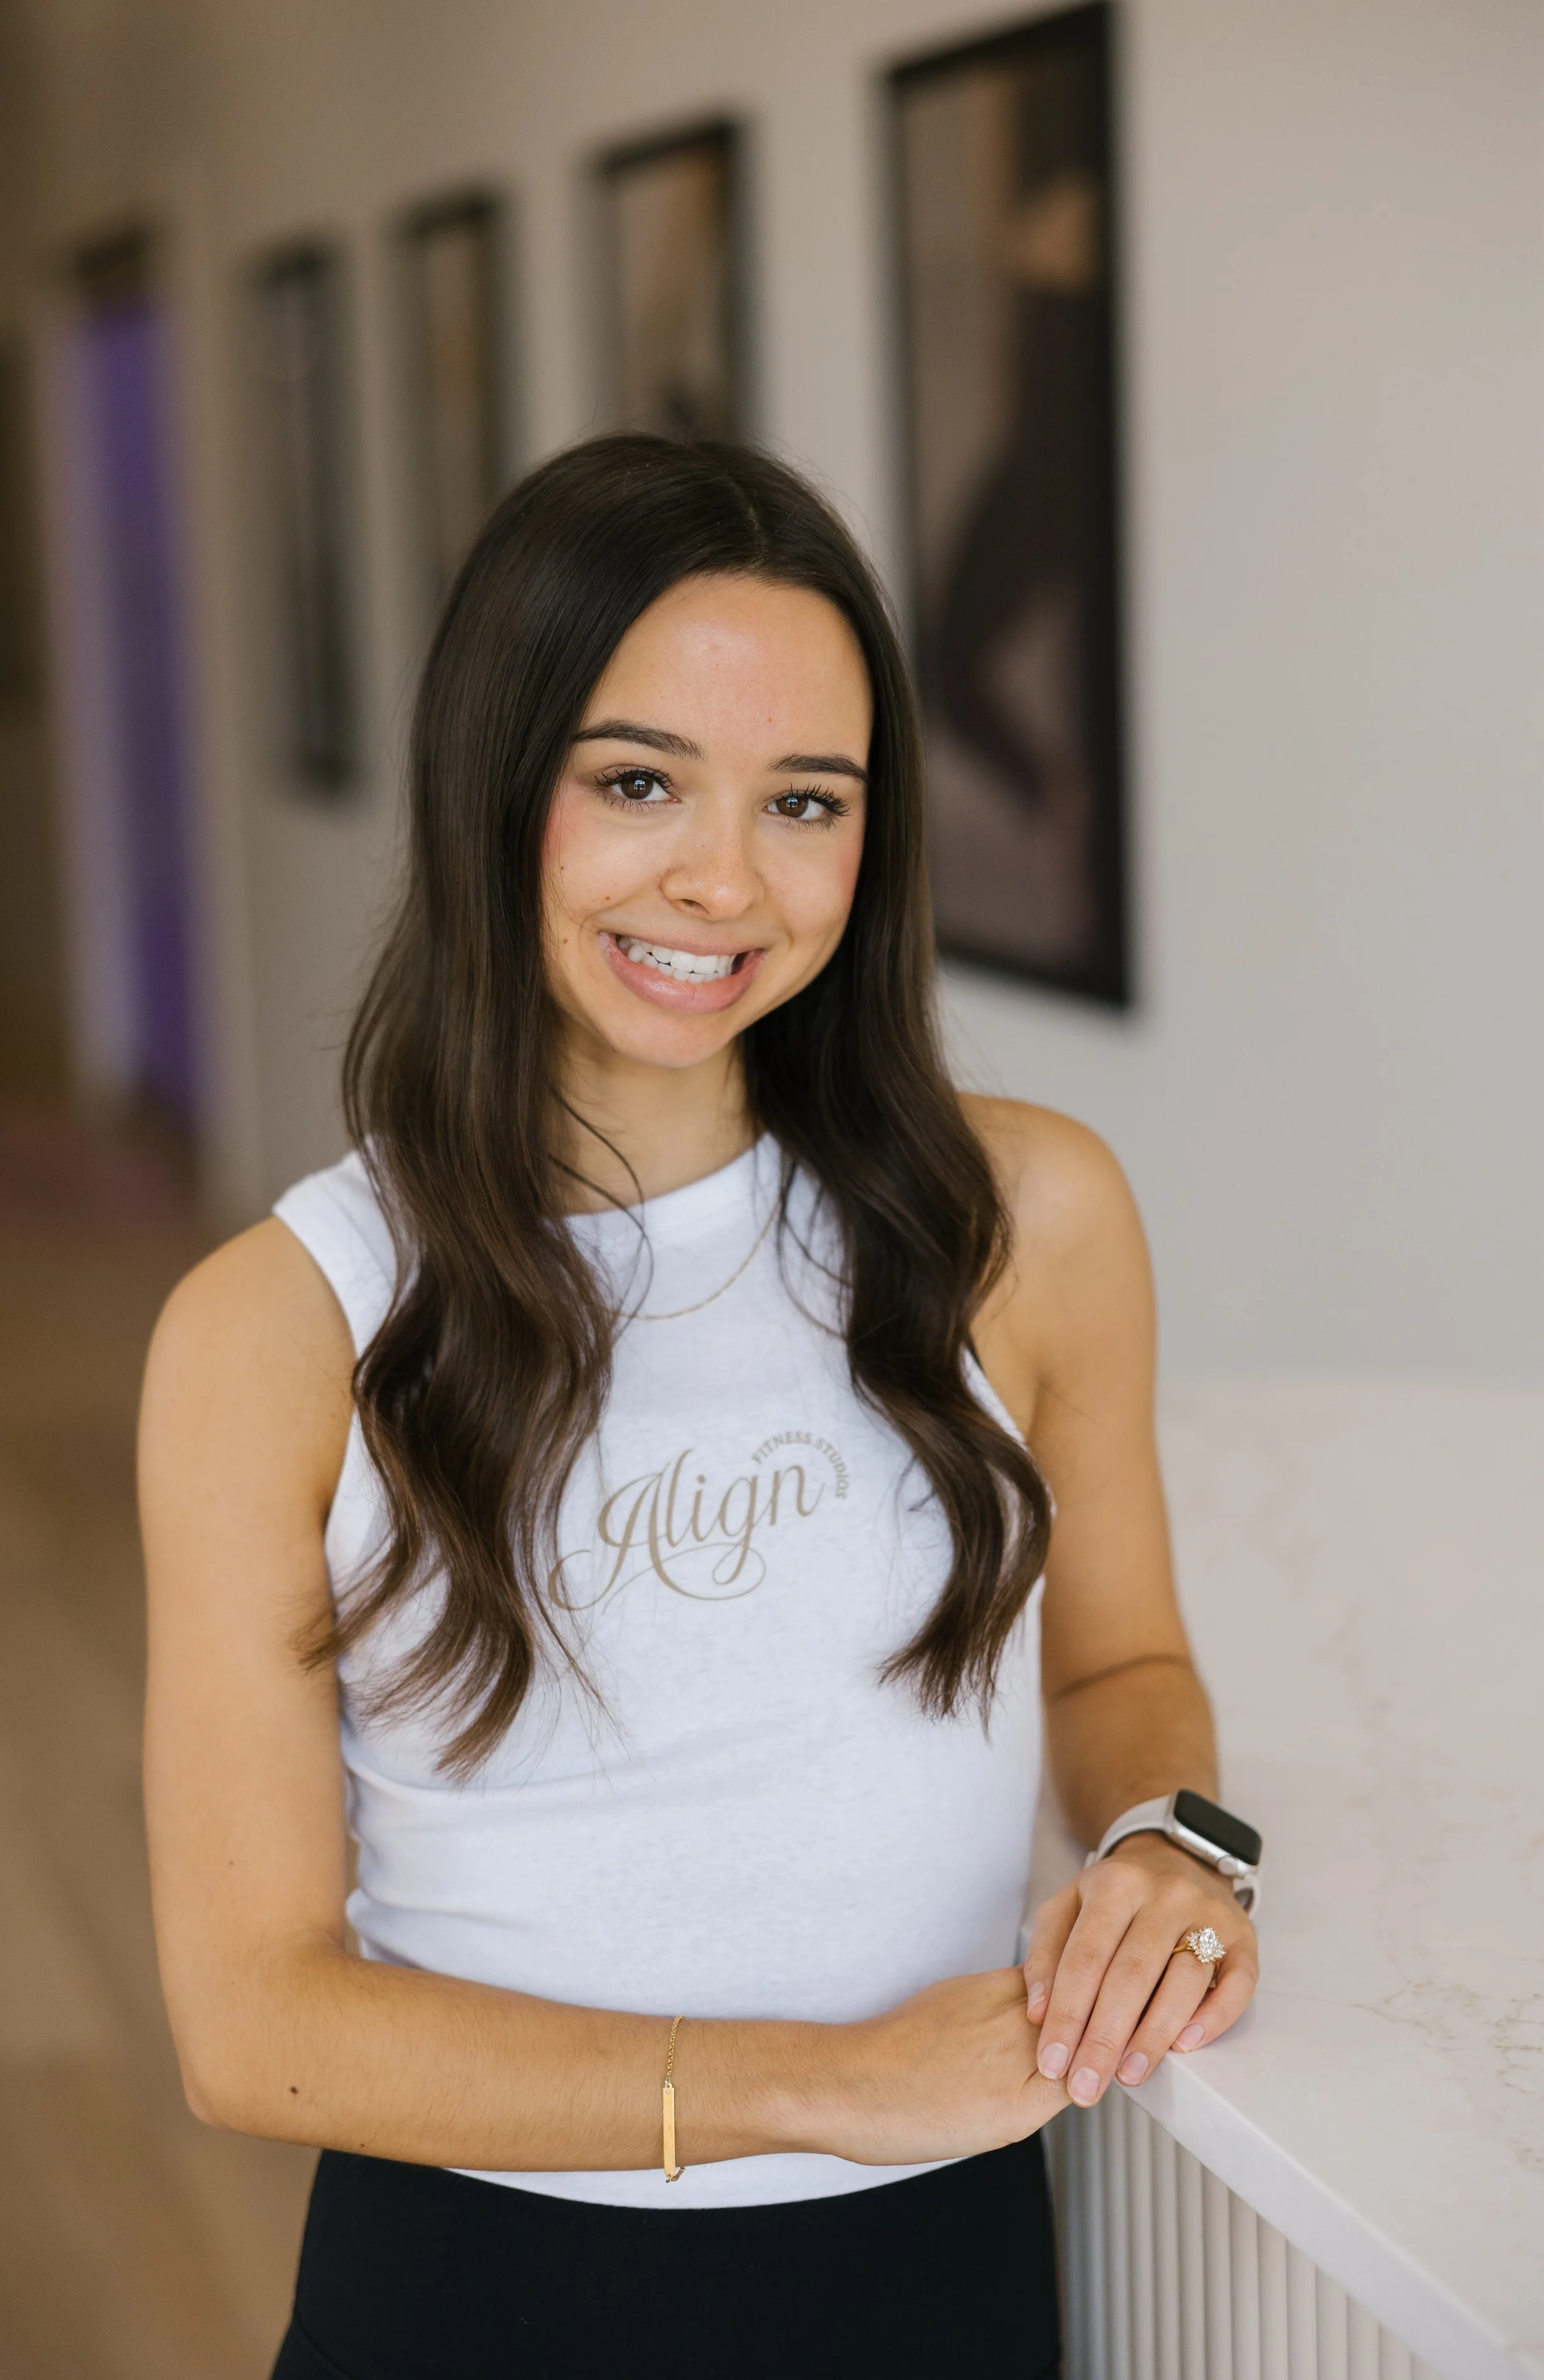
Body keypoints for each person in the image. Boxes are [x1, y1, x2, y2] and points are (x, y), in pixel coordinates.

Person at [139, 435, 1258, 2379]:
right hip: (478, 2299)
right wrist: (818, 2086)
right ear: (498, 791)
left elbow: (1119, 1667)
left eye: (803, 799)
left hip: (945, 2272)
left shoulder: (1027, 1220)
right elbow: (254, 2027)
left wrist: (1175, 1842)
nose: (721, 878)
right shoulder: (280, 1326)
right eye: (637, 780)